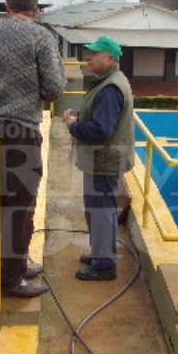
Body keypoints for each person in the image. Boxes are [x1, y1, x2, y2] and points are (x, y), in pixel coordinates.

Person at [0, 0, 67, 298]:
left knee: (1, 204)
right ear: (35, 10)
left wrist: (0, 92)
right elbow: (54, 89)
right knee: (20, 207)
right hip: (21, 132)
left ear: (7, 6)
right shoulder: (40, 36)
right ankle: (10, 281)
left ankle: (18, 265)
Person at [63, 36, 134, 281]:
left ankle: (104, 265)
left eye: (94, 54)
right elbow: (101, 120)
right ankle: (100, 254)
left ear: (110, 58)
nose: (88, 58)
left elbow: (102, 130)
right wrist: (81, 117)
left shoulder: (111, 88)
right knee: (98, 210)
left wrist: (73, 126)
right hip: (102, 159)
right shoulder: (109, 82)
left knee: (102, 211)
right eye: (88, 53)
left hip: (104, 159)